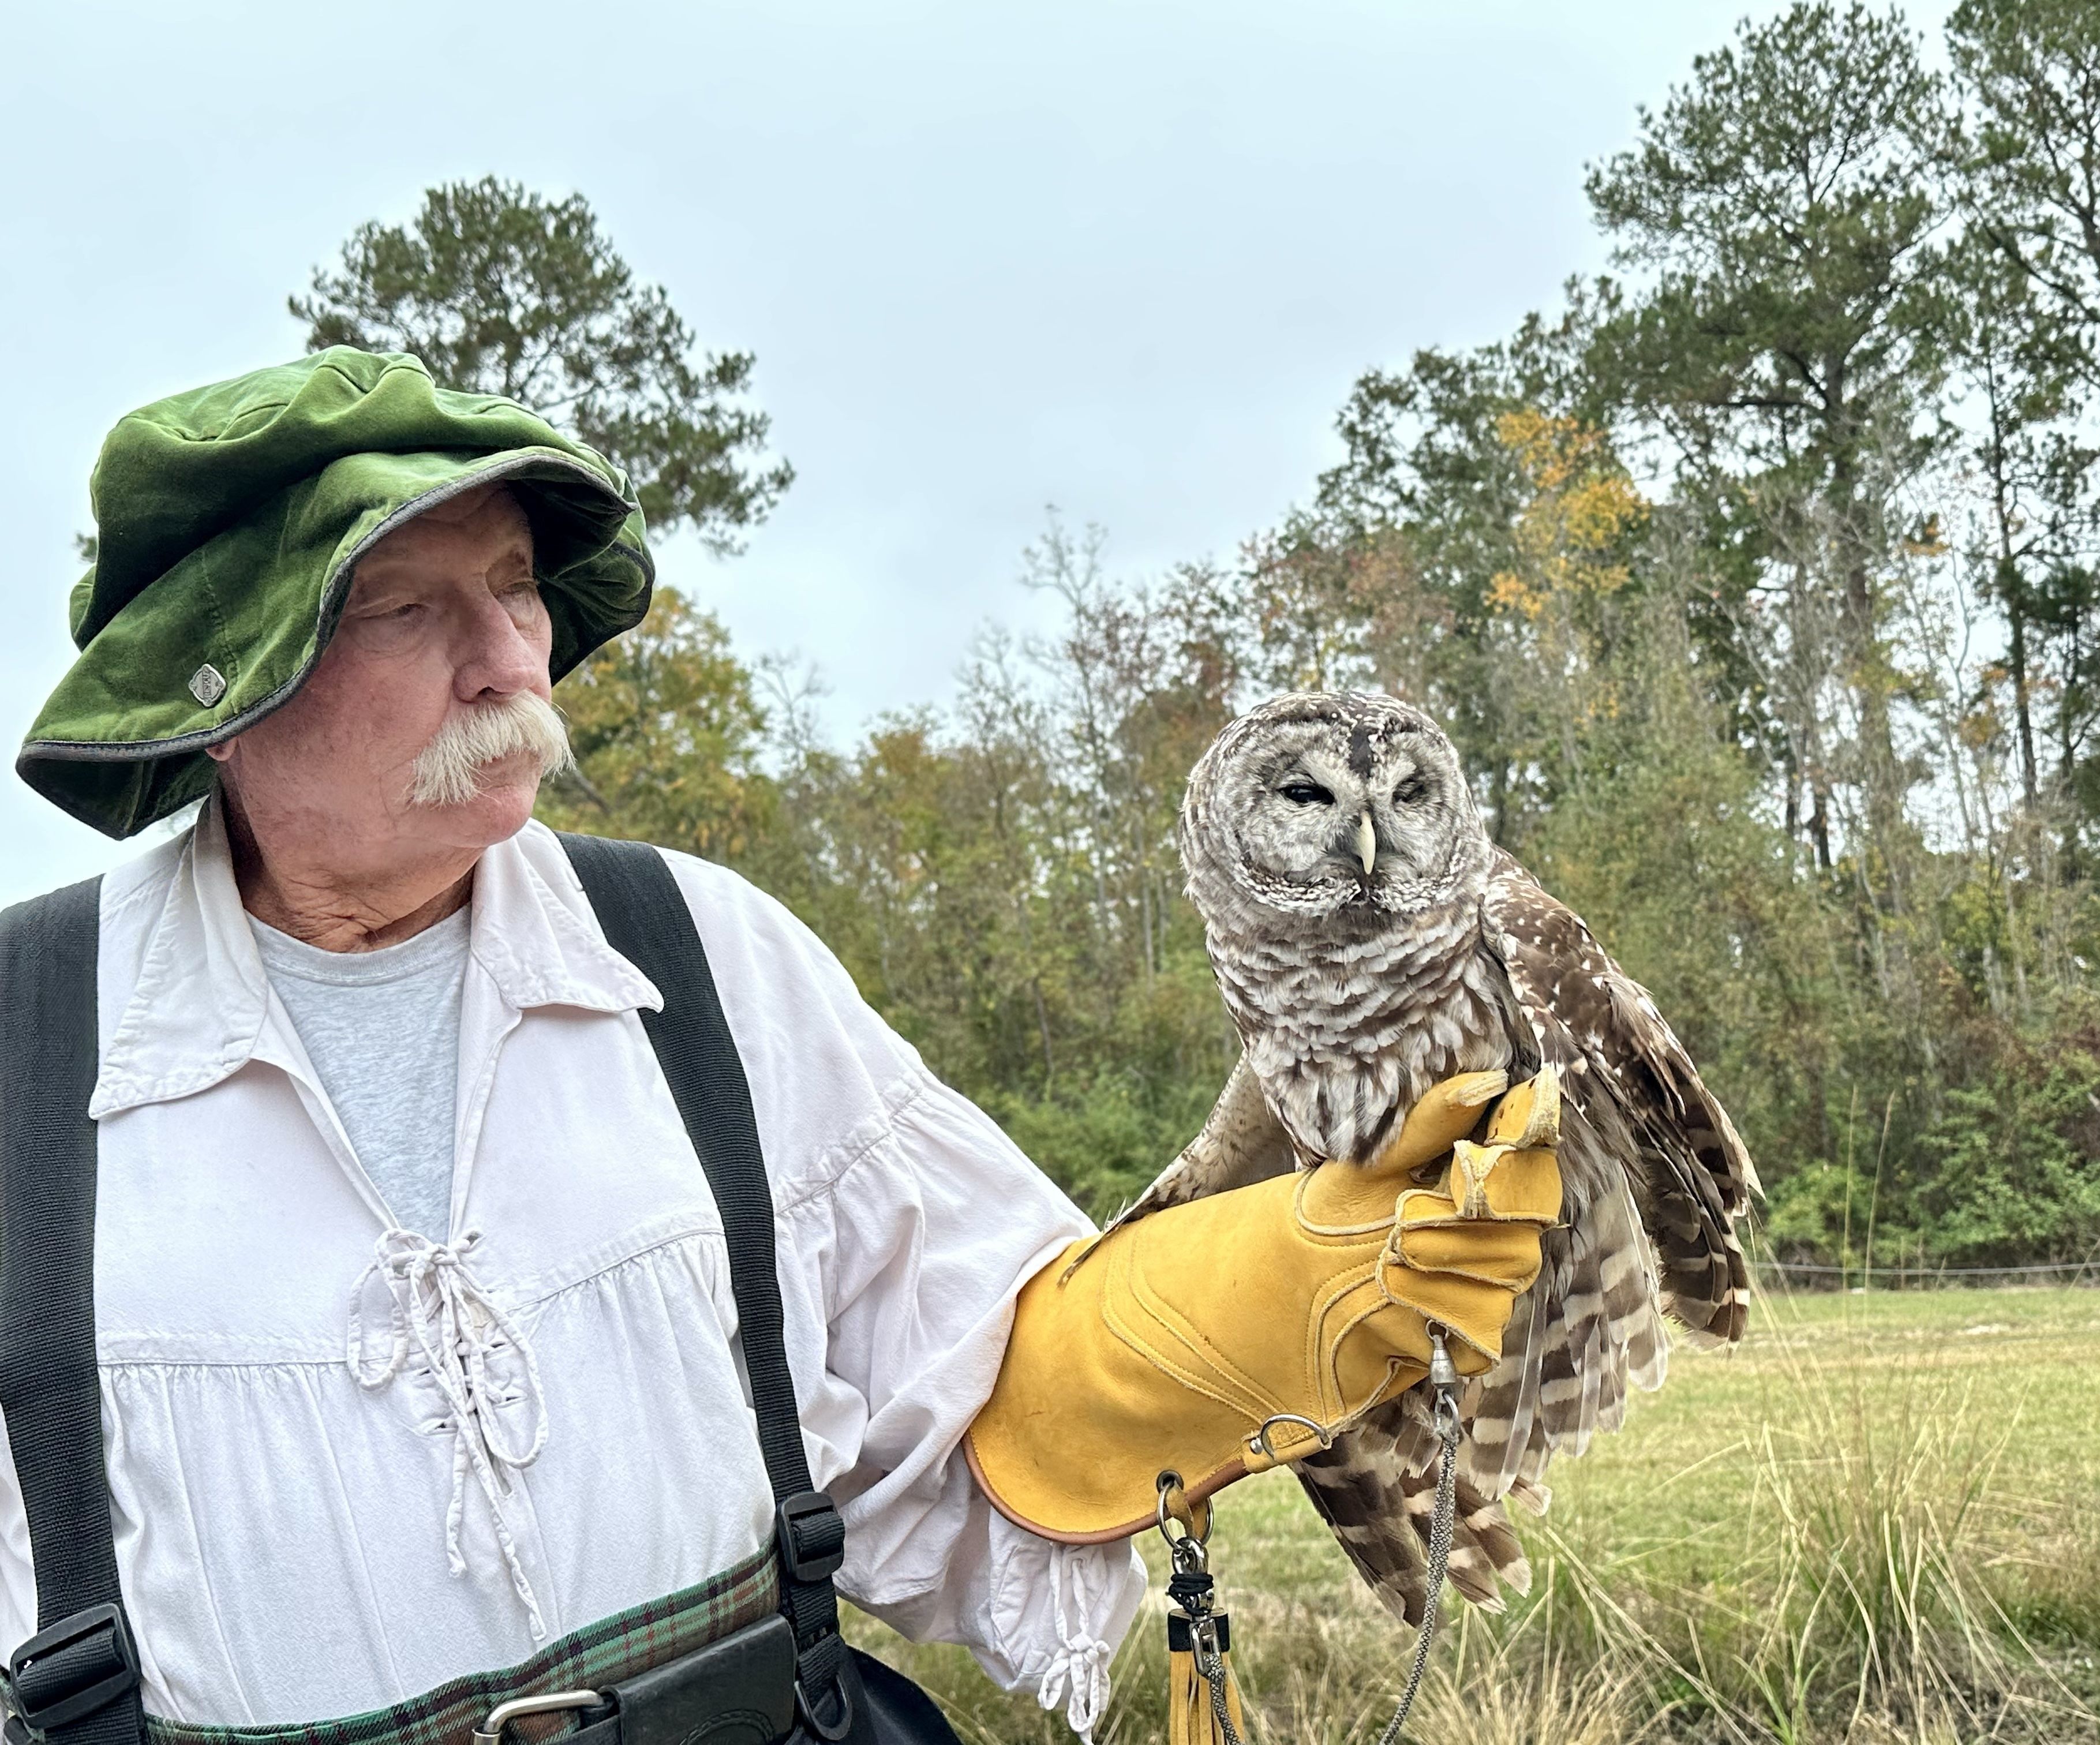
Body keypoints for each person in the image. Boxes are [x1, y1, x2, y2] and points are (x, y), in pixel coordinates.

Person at [3, 350, 1562, 1744]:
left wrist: (1261, 1286)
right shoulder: (26, 1046)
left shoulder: (692, 951)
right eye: (411, 609)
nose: (512, 658)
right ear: (224, 693)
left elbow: (969, 1365)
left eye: (518, 586)